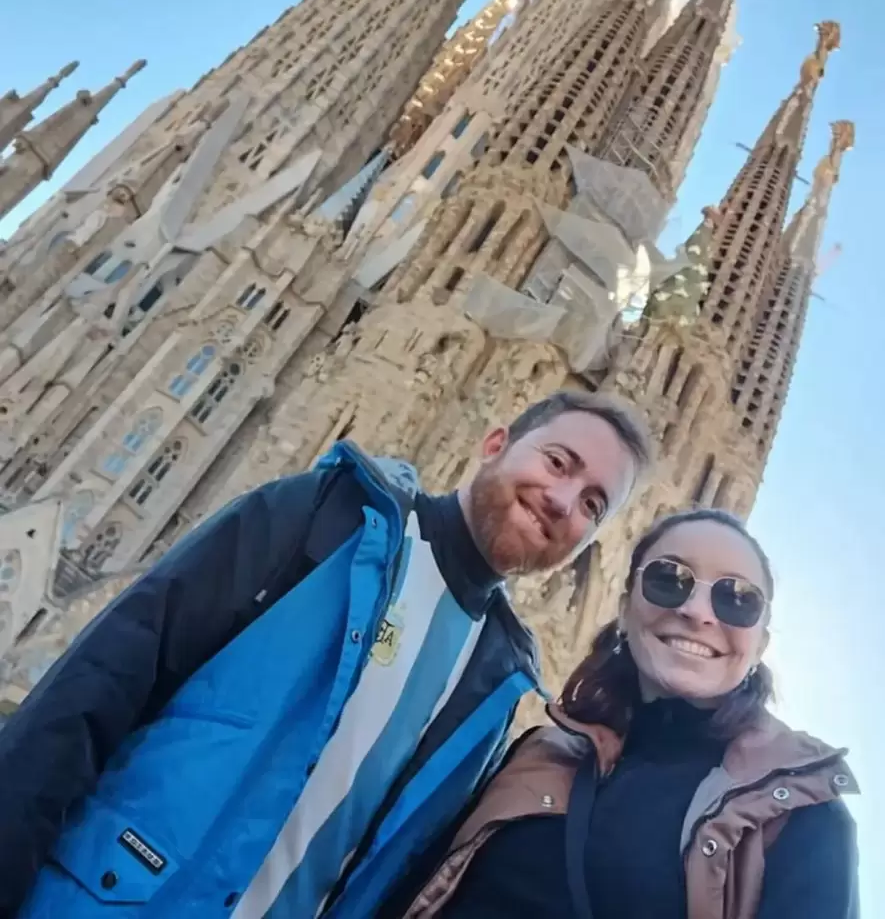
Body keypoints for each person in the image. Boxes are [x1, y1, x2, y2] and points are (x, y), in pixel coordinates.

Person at [0, 389, 651, 918]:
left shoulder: (496, 691)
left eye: (592, 504)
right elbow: (98, 687)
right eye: (558, 462)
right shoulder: (328, 518)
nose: (562, 500)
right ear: (495, 444)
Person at [390, 508, 860, 919]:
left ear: (761, 644)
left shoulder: (797, 816)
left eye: (737, 598)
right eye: (669, 580)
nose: (698, 612)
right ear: (625, 607)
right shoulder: (540, 752)